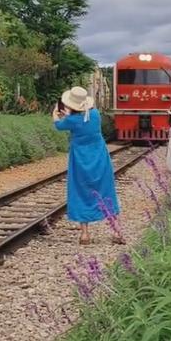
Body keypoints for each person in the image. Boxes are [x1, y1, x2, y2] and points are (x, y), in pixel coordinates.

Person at [53, 86, 122, 246]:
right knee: (106, 190)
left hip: (80, 158)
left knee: (80, 191)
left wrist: (56, 113)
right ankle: (117, 230)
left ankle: (85, 234)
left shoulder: (71, 121)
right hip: (99, 156)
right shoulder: (96, 115)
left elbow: (58, 125)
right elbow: (84, 118)